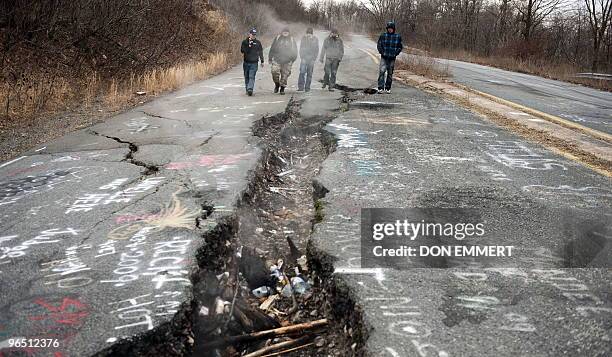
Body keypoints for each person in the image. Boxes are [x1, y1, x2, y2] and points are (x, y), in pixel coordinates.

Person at [269, 27, 297, 95]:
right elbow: (272, 48)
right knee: (274, 72)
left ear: (289, 33)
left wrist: (293, 59)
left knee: (285, 76)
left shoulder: (292, 39)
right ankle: (277, 84)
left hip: (287, 61)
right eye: (284, 31)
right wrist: (270, 58)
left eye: (287, 32)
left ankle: (282, 88)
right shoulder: (278, 38)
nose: (285, 33)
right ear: (282, 32)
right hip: (277, 59)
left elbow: (295, 50)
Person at [377, 21, 403, 94]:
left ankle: (388, 88)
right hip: (384, 57)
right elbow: (379, 45)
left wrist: (396, 53)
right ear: (387, 29)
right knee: (382, 72)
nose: (390, 29)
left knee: (390, 73)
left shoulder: (397, 36)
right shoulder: (383, 35)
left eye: (391, 28)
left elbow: (400, 47)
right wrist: (382, 52)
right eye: (389, 28)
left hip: (392, 58)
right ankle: (380, 88)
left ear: (394, 29)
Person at [240, 28, 264, 96]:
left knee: (251, 76)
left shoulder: (258, 42)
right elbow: (242, 51)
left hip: (254, 63)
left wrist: (262, 61)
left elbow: (260, 52)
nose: (253, 36)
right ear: (249, 34)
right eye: (252, 34)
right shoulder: (244, 42)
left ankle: (250, 89)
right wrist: (249, 45)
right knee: (246, 76)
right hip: (246, 62)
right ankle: (247, 89)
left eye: (254, 34)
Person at [297, 27, 319, 92]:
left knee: (309, 73)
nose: (309, 35)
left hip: (312, 59)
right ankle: (301, 87)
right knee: (302, 72)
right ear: (306, 33)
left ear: (312, 34)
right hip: (304, 58)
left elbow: (317, 49)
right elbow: (301, 48)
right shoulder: (303, 38)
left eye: (310, 33)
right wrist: (302, 57)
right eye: (308, 33)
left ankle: (307, 88)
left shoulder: (315, 39)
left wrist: (314, 58)